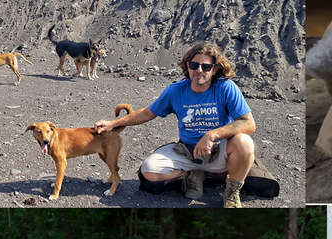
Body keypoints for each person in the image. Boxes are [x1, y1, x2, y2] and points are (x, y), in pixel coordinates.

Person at [94, 42, 256, 207]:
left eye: (206, 67)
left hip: (218, 151)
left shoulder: (225, 88)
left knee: (244, 143)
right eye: (194, 65)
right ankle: (191, 173)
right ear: (188, 66)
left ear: (214, 69)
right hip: (187, 152)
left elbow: (248, 123)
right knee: (149, 171)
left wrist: (211, 135)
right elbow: (148, 113)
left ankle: (231, 193)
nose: (199, 70)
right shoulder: (176, 91)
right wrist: (113, 124)